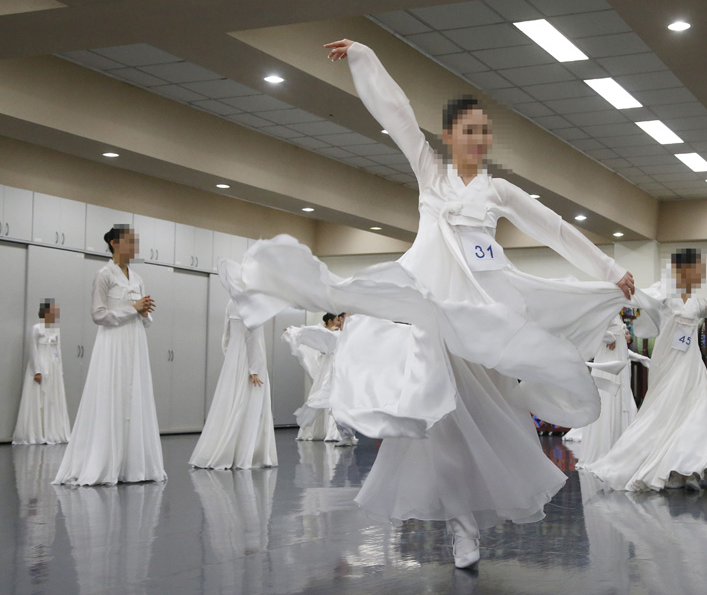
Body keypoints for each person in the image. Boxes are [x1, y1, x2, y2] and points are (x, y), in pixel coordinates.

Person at [222, 38, 639, 570]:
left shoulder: (499, 191)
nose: (479, 139)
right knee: (440, 417)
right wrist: (363, 57)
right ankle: (463, 531)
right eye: (470, 130)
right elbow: (395, 110)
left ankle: (477, 511)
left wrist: (609, 271)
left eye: (485, 131)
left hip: (486, 316)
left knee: (494, 418)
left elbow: (555, 228)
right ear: (449, 136)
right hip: (437, 313)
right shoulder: (429, 171)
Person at [583, 248, 707, 491]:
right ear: (681, 271)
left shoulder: (699, 303)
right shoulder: (662, 294)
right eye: (695, 269)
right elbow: (631, 298)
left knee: (699, 410)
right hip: (667, 364)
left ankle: (692, 464)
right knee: (662, 412)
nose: (699, 275)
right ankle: (653, 464)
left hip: (692, 365)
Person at [53, 225, 165, 486]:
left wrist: (145, 311)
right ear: (115, 243)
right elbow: (99, 314)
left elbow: (144, 317)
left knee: (134, 395)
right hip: (112, 343)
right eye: (130, 241)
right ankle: (104, 461)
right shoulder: (104, 275)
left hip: (135, 342)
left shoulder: (137, 278)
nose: (135, 245)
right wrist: (132, 308)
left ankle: (133, 464)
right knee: (111, 394)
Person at [189, 294, 277, 469]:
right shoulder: (255, 305)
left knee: (228, 403)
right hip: (250, 362)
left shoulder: (232, 302)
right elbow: (254, 340)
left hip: (233, 359)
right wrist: (254, 369)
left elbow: (226, 335)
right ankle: (245, 453)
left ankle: (221, 448)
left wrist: (230, 358)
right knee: (248, 405)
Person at [570, 315, 649, 459]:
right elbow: (593, 326)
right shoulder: (606, 309)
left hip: (619, 364)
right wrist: (609, 337)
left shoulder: (616, 315)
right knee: (607, 398)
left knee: (619, 400)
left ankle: (620, 442)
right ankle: (606, 445)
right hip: (609, 362)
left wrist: (639, 357)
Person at [283, 312, 357, 446]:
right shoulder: (336, 335)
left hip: (347, 373)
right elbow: (315, 333)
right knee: (335, 403)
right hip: (336, 373)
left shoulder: (350, 334)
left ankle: (347, 435)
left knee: (344, 404)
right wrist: (294, 331)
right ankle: (345, 435)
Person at [13, 299, 71, 445]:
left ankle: (52, 431)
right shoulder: (36, 328)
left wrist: (60, 371)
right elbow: (33, 350)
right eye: (51, 311)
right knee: (38, 397)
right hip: (41, 364)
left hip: (53, 367)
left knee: (51, 399)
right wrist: (36, 370)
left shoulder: (55, 330)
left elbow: (58, 351)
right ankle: (37, 432)